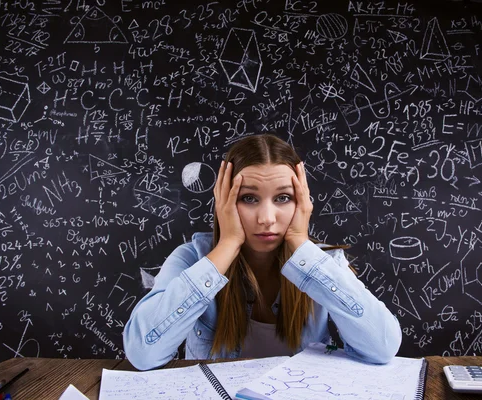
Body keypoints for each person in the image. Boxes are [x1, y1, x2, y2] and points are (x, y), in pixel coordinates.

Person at [123, 134, 402, 370]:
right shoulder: (192, 259)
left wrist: (301, 245)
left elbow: (383, 347)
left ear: (301, 203)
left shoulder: (324, 263)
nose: (267, 218)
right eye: (248, 198)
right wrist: (227, 245)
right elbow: (141, 353)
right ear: (223, 201)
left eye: (283, 198)